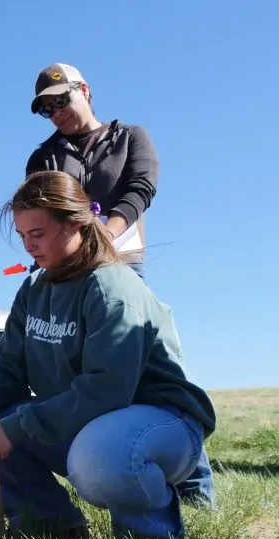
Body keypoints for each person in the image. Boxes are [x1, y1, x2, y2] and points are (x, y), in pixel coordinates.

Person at [0, 170, 215, 539]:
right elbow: (9, 370)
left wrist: (19, 426)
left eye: (37, 234)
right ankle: (53, 531)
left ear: (75, 225)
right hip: (93, 421)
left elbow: (107, 390)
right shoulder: (34, 289)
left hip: (161, 421)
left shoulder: (111, 287)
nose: (28, 248)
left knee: (101, 455)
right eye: (22, 237)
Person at [25, 63, 216, 509]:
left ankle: (194, 485)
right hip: (72, 276)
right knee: (94, 371)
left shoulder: (130, 137)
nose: (56, 112)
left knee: (155, 365)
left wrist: (106, 233)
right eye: (45, 109)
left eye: (61, 100)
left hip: (124, 266)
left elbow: (140, 188)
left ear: (85, 91)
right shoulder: (44, 158)